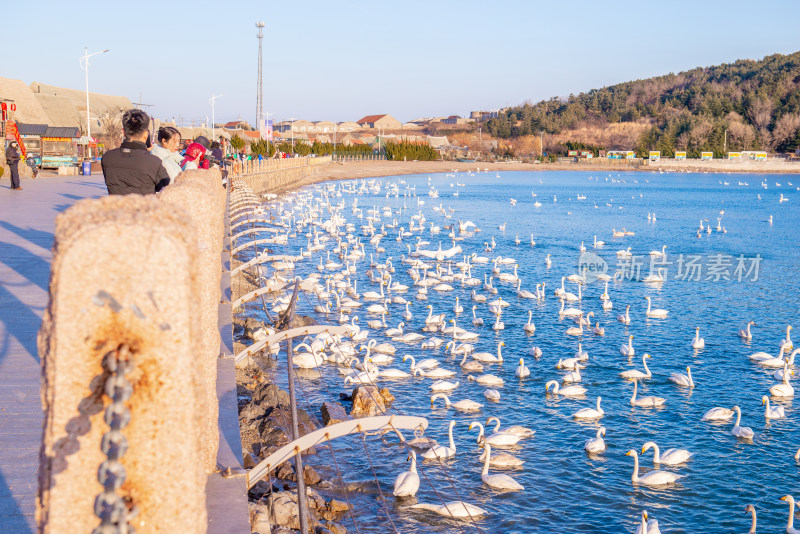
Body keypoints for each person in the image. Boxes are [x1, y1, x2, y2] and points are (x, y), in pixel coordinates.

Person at [101, 109, 170, 195]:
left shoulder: (107, 157)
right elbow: (164, 185)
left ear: (123, 132)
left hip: (116, 206)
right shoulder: (154, 162)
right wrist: (145, 154)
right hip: (144, 207)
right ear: (146, 134)